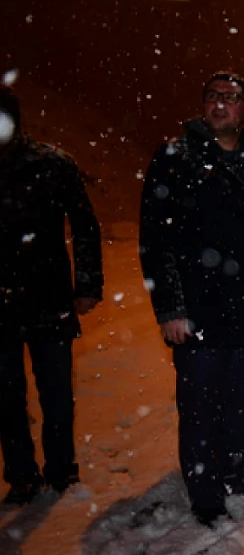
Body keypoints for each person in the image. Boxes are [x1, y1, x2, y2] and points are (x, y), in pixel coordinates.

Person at [138, 72, 244, 526]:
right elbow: (156, 239)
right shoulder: (176, 158)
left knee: (238, 399)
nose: (219, 105)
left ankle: (237, 471)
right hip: (197, 307)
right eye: (212, 97)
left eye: (230, 99)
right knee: (199, 404)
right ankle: (205, 488)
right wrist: (170, 307)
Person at [0, 84, 103, 505]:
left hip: (49, 297)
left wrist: (88, 285)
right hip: (4, 304)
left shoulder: (52, 164)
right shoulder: (50, 163)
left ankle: (62, 467)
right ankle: (22, 474)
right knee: (7, 394)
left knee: (56, 391)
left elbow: (84, 226)